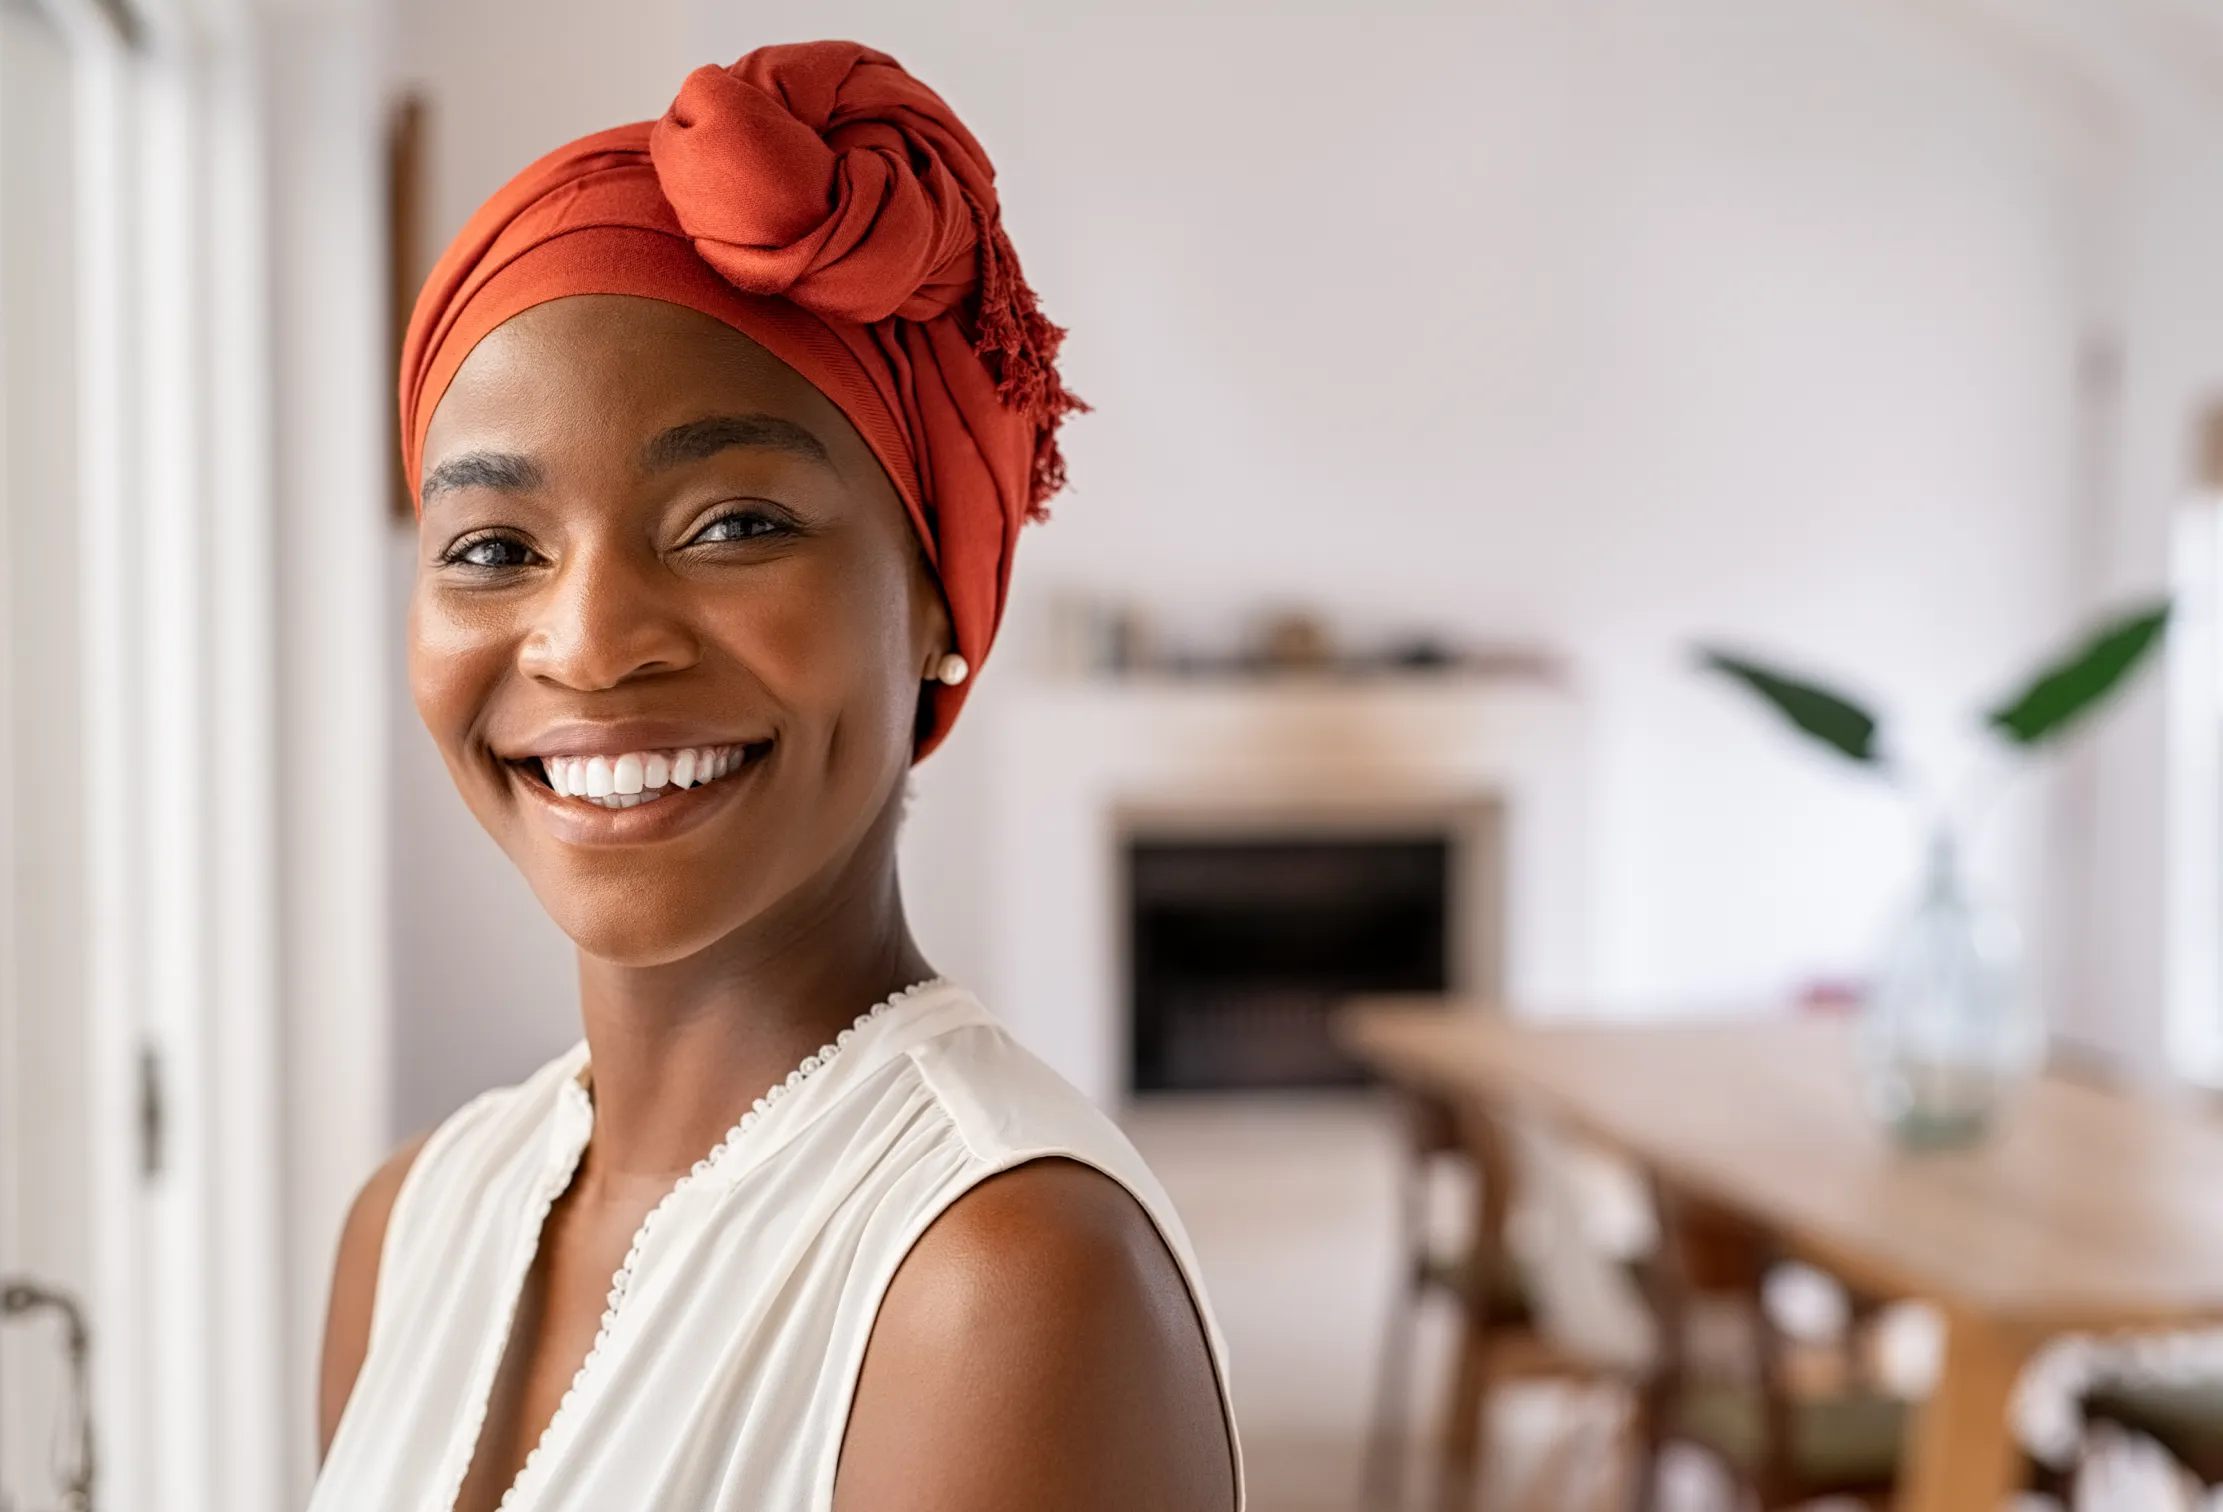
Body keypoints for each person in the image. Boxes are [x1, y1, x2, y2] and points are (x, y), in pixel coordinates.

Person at [309, 41, 1242, 1512]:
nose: (589, 645)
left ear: (935, 596)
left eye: (734, 524)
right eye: (492, 549)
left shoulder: (999, 1287)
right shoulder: (409, 1225)